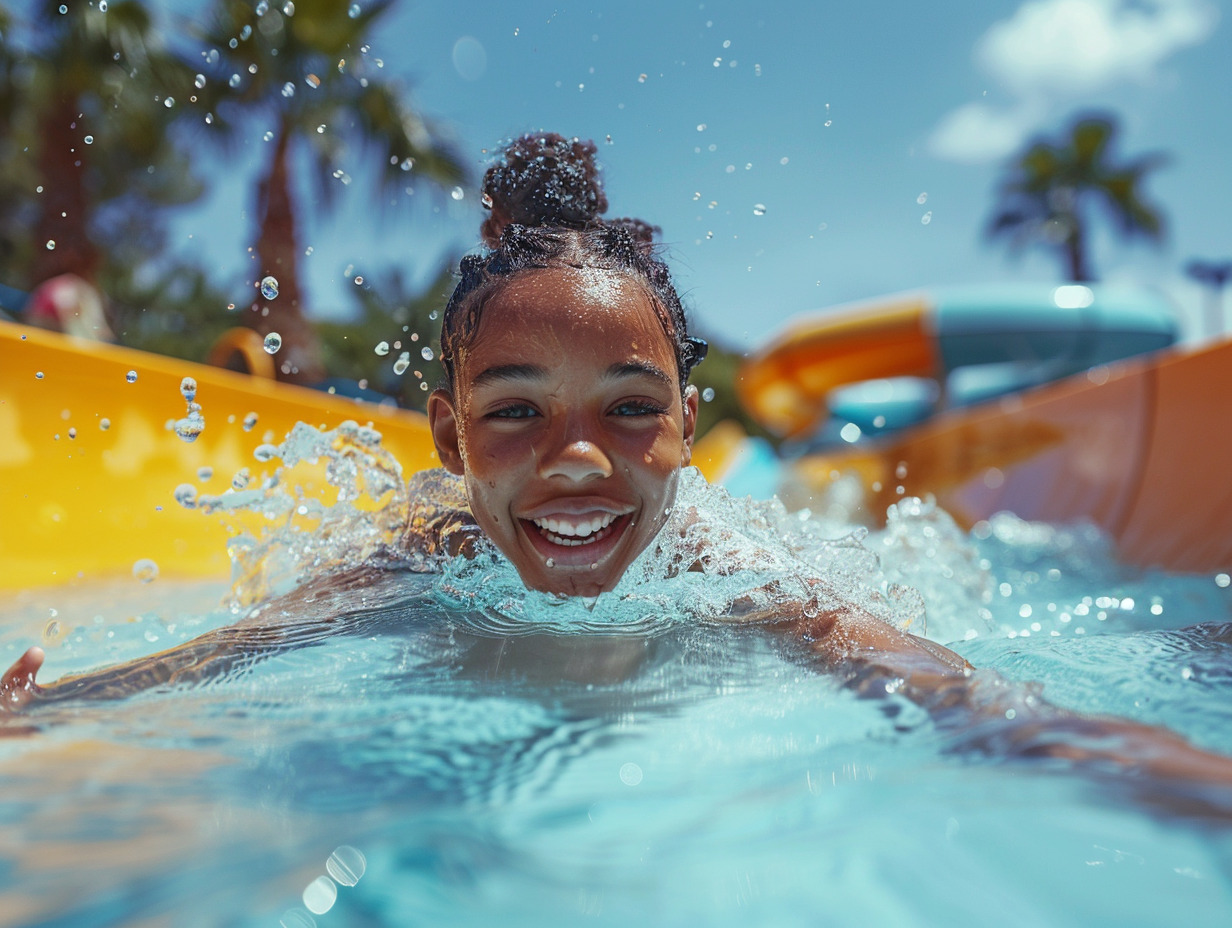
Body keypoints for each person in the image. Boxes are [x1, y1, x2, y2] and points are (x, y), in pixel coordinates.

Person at [5, 133, 1232, 800]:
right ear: (447, 440)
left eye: (628, 408)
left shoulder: (722, 559)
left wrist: (1152, 762)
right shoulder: (417, 548)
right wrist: (57, 709)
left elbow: (940, 689)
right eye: (516, 410)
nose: (576, 459)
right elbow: (238, 649)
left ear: (688, 430)